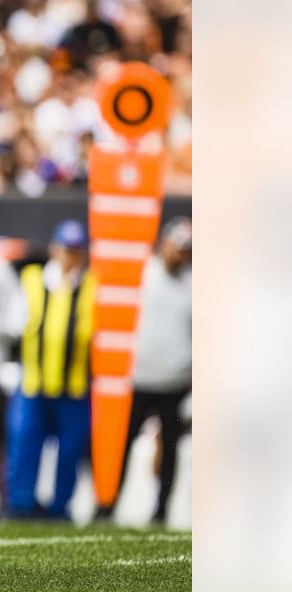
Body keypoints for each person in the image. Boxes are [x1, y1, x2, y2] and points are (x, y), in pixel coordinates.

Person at [3, 220, 97, 520]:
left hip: (75, 385)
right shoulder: (32, 280)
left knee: (70, 451)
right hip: (34, 382)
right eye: (66, 250)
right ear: (55, 250)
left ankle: (60, 508)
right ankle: (21, 504)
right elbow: (13, 325)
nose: (70, 257)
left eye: (76, 252)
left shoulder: (93, 286)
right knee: (24, 445)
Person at [103, 217, 192, 524]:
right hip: (138, 376)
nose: (181, 255)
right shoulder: (142, 273)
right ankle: (108, 503)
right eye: (178, 247)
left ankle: (161, 509)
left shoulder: (193, 282)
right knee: (121, 445)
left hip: (176, 379)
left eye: (187, 250)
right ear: (163, 243)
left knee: (169, 449)